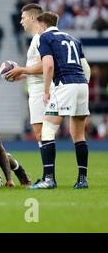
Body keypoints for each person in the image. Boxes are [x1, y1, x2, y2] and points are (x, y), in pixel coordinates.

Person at [28, 12, 91, 189]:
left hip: (64, 85)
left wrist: (47, 91)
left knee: (47, 130)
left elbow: (48, 65)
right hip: (81, 85)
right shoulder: (73, 38)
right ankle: (82, 179)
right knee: (79, 135)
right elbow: (86, 69)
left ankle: (49, 179)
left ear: (41, 25)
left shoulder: (45, 38)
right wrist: (81, 85)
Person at [6, 4, 45, 146]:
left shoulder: (39, 38)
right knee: (42, 135)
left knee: (42, 134)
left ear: (33, 18)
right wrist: (21, 75)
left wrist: (21, 70)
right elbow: (39, 68)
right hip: (38, 90)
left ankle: (48, 169)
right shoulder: (37, 38)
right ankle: (49, 169)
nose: (21, 21)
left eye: (23, 18)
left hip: (41, 92)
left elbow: (46, 65)